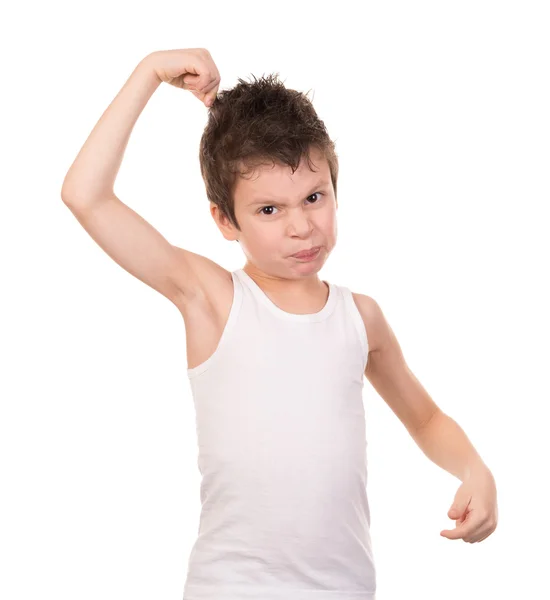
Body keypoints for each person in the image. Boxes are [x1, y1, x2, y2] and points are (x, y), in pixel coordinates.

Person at [61, 47, 499, 600]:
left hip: (345, 589)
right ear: (225, 220)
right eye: (269, 210)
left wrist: (474, 469)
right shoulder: (212, 299)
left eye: (314, 197)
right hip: (232, 588)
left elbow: (427, 418)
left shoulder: (360, 317)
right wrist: (148, 72)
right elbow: (86, 195)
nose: (301, 227)